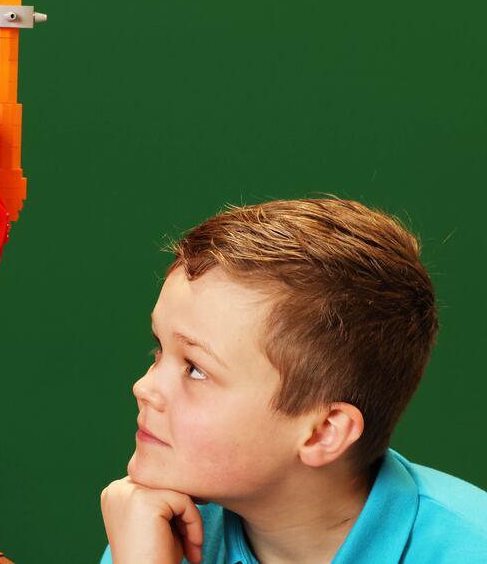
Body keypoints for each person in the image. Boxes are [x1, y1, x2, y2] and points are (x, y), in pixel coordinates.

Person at [100, 198, 487, 564]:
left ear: (323, 432)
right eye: (159, 349)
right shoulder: (151, 535)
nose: (144, 388)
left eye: (196, 369)